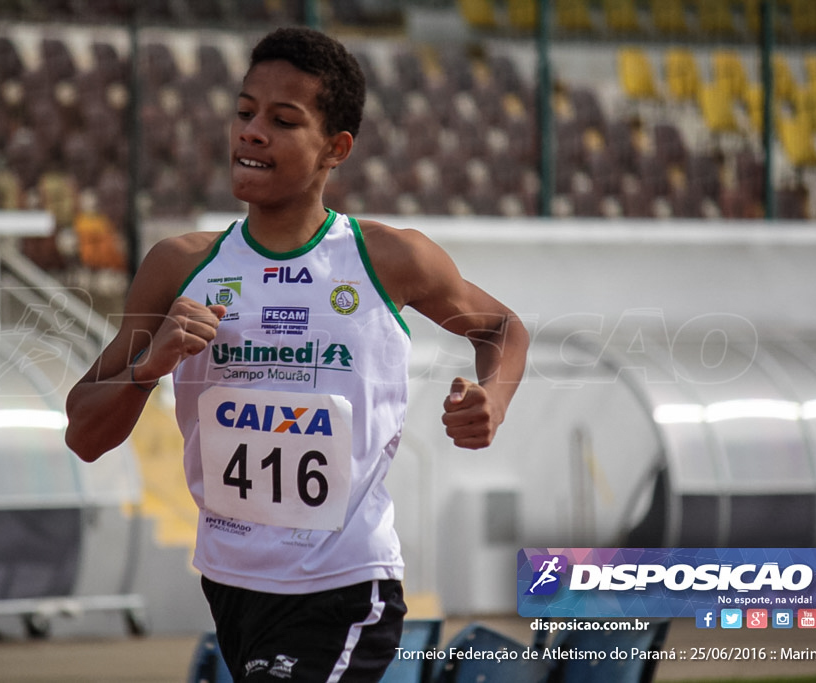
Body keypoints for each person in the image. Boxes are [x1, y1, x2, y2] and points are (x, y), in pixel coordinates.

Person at [65, 26, 528, 682]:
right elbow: (84, 431)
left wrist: (495, 398)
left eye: (283, 120)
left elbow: (502, 328)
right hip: (231, 583)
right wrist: (149, 367)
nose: (252, 132)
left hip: (345, 582)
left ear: (335, 148)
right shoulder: (178, 267)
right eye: (244, 111)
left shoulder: (388, 258)